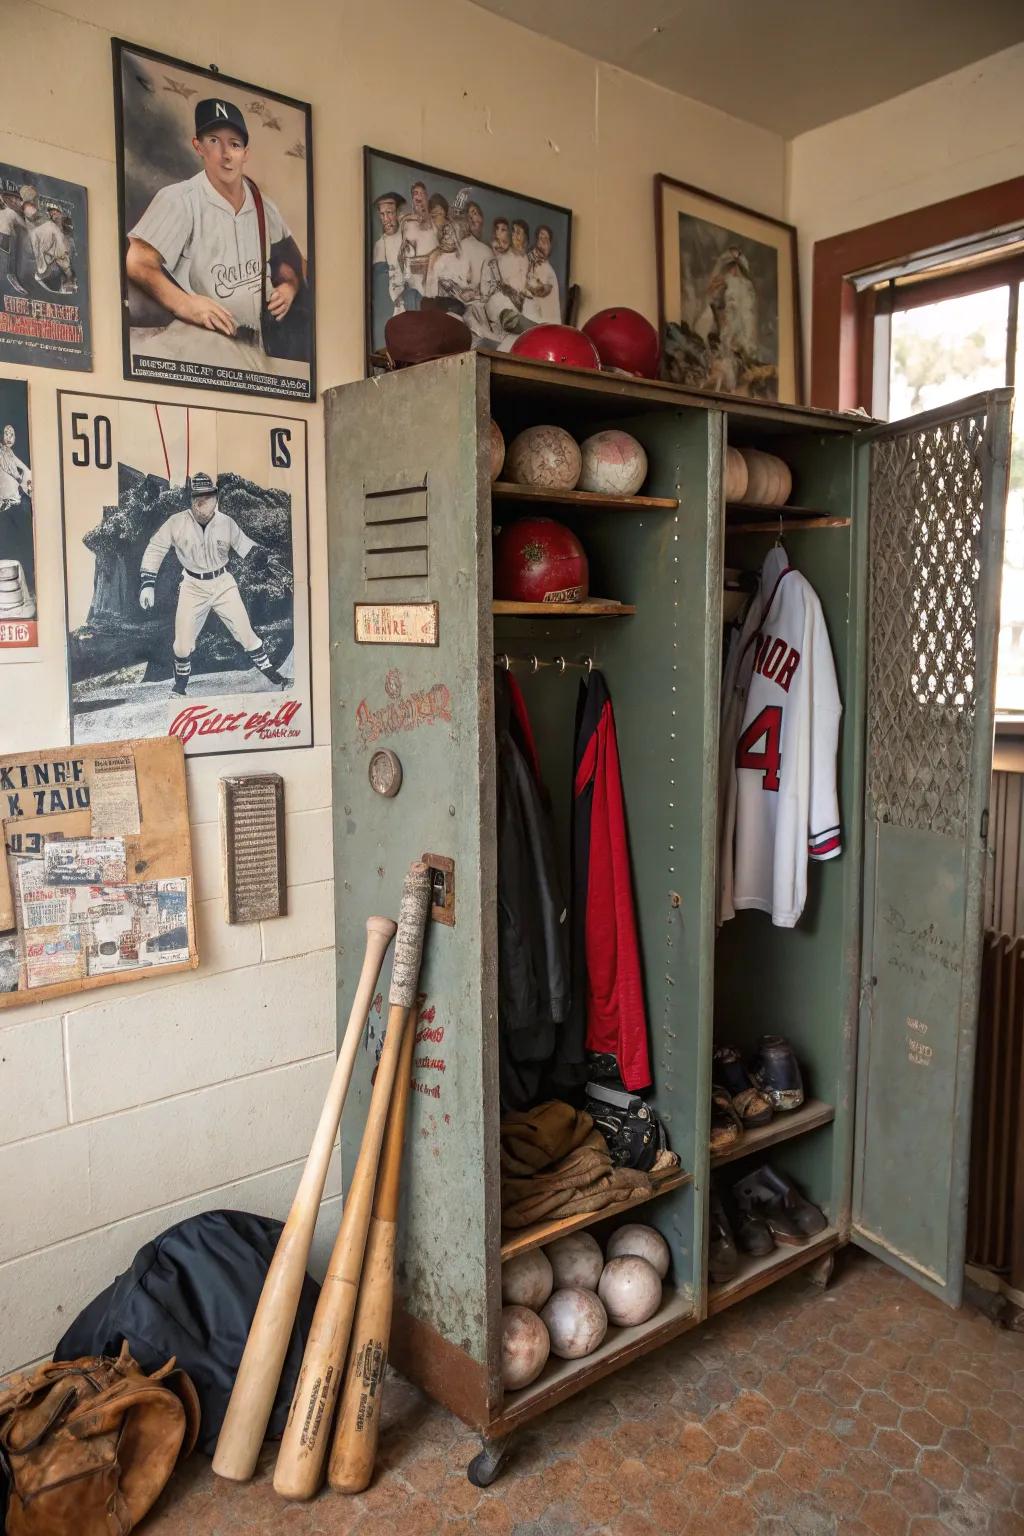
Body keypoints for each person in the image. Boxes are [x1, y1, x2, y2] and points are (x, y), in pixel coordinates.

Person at [125, 98, 308, 380]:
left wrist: (289, 287)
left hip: (259, 344)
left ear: (245, 153)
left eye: (234, 144)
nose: (225, 154)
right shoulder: (180, 199)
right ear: (198, 146)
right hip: (204, 339)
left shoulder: (264, 207)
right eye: (214, 141)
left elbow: (292, 261)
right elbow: (138, 261)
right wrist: (185, 303)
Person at [138, 470, 289, 696]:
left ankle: (273, 676)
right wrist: (147, 583)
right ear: (190, 500)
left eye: (208, 496)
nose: (202, 502)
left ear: (215, 498)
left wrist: (261, 557)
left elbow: (246, 546)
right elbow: (155, 548)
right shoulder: (176, 522)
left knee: (246, 634)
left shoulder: (226, 523)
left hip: (222, 583)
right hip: (192, 585)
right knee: (182, 644)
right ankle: (180, 686)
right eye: (197, 497)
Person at [0, 423, 35, 601]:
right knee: (7, 550)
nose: (9, 437)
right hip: (4, 508)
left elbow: (27, 471)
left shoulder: (10, 454)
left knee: (24, 545)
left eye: (12, 434)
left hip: (16, 505)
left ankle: (29, 588)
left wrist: (27, 485)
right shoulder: (1, 453)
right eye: (6, 433)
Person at [371, 190, 406, 322]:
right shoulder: (380, 245)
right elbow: (380, 281)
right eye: (382, 214)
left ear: (398, 213)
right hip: (394, 307)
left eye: (390, 213)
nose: (386, 219)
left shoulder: (408, 235)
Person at [29, 205, 75, 292]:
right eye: (51, 213)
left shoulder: (69, 230)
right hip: (52, 264)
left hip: (67, 262)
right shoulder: (47, 229)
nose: (53, 215)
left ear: (61, 214)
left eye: (56, 212)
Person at [523, 224, 560, 323]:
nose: (543, 242)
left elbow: (540, 291)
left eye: (546, 239)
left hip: (546, 325)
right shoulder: (529, 263)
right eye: (540, 238)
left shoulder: (549, 270)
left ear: (550, 246)